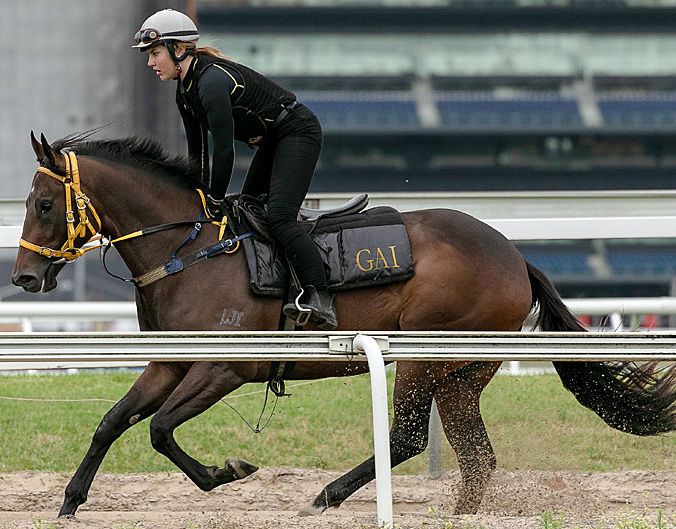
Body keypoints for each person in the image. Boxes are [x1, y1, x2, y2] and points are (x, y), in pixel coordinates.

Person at [132, 9, 337, 330]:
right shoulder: (184, 93)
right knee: (247, 209)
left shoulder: (211, 82)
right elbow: (198, 154)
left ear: (179, 50)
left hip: (298, 132)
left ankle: (320, 295)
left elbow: (224, 151)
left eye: (155, 53)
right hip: (273, 140)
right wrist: (199, 198)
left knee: (279, 217)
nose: (150, 63)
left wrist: (213, 198)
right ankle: (273, 288)